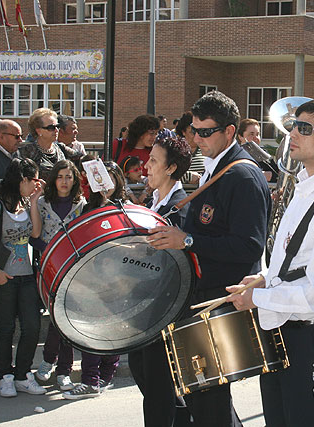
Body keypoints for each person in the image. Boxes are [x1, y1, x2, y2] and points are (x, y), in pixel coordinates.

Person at [226, 98, 314, 427]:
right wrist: (263, 279)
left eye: (305, 128)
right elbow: (296, 264)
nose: (293, 133)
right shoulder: (306, 188)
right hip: (286, 335)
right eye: (293, 126)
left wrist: (257, 298)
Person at [146, 90, 270, 426]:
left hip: (220, 303)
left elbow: (249, 247)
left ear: (229, 131)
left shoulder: (242, 175)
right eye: (194, 130)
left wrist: (186, 240)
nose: (197, 139)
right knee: (205, 403)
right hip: (202, 300)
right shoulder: (217, 170)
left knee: (210, 403)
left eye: (205, 132)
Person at [129, 135, 192, 427]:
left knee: (157, 389)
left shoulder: (179, 207)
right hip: (145, 306)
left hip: (163, 310)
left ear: (171, 168)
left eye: (154, 160)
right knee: (143, 373)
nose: (146, 165)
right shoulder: (154, 200)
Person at [0, 158, 45, 398]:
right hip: (4, 276)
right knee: (5, 328)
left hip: (26, 275)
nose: (37, 183)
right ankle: (5, 376)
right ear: (22, 180)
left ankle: (22, 374)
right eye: (34, 179)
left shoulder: (27, 203)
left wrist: (35, 201)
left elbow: (35, 233)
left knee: (32, 326)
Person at [62, 161, 125, 400]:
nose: (105, 184)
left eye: (109, 178)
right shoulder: (88, 208)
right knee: (91, 332)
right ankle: (90, 380)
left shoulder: (125, 206)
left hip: (118, 278)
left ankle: (107, 373)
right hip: (92, 277)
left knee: (114, 330)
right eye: (100, 178)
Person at [31, 160, 86, 392]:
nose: (64, 182)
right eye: (60, 176)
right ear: (54, 179)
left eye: (69, 177)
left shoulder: (81, 204)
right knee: (55, 316)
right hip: (48, 267)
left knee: (67, 319)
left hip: (73, 269)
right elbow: (34, 235)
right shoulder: (43, 203)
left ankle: (62, 369)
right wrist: (33, 201)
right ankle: (49, 360)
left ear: (75, 181)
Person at [19, 108, 81, 181]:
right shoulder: (27, 152)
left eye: (57, 126)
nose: (56, 130)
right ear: (38, 131)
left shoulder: (61, 147)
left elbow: (82, 158)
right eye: (51, 128)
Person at [236, 118, 276, 182]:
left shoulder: (264, 155)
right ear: (240, 136)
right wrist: (261, 174)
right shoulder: (235, 155)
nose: (256, 138)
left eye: (257, 134)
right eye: (251, 134)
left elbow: (276, 176)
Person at [175, 111, 205, 185]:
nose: (197, 135)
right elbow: (165, 176)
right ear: (183, 132)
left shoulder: (207, 151)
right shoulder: (175, 151)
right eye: (192, 132)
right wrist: (188, 176)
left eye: (199, 131)